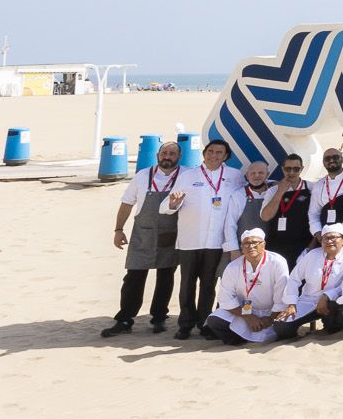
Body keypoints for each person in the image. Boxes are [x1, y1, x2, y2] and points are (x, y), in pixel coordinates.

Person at [103, 140, 185, 337]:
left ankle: (159, 318)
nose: (167, 156)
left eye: (172, 153)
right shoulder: (142, 176)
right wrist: (118, 229)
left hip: (170, 234)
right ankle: (125, 318)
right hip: (143, 234)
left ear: (179, 157)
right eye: (164, 152)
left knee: (165, 278)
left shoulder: (187, 176)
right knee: (134, 278)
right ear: (157, 155)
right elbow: (127, 203)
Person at [167, 138, 244, 340]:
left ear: (226, 156)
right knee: (187, 284)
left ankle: (204, 323)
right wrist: (173, 204)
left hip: (217, 242)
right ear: (204, 154)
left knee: (209, 284)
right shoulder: (187, 175)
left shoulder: (234, 176)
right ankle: (185, 324)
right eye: (210, 151)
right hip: (190, 240)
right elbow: (167, 206)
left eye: (219, 152)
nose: (214, 155)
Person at [203, 226, 290, 345]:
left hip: (273, 312)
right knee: (214, 320)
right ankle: (238, 340)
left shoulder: (278, 262)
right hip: (244, 312)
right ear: (242, 248)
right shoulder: (233, 267)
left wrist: (270, 318)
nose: (251, 246)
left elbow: (282, 297)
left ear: (263, 244)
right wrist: (249, 317)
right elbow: (226, 300)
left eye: (255, 242)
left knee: (286, 327)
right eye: (246, 243)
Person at [275, 224, 343, 338]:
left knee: (338, 324)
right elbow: (294, 278)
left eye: (333, 237)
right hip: (308, 301)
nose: (329, 241)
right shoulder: (312, 255)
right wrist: (291, 303)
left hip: (333, 302)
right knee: (281, 327)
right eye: (325, 238)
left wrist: (326, 296)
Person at [259, 153, 312, 269]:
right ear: (283, 169)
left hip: (303, 245)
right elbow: (265, 217)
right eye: (288, 169)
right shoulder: (273, 191)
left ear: (302, 169)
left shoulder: (312, 188)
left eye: (296, 169)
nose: (292, 172)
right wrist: (280, 192)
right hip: (277, 246)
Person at [221, 161, 275, 262]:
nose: (256, 176)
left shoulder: (274, 192)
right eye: (253, 173)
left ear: (267, 174)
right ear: (247, 176)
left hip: (271, 249)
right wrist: (234, 250)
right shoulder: (238, 195)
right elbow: (229, 225)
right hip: (244, 250)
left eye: (261, 173)